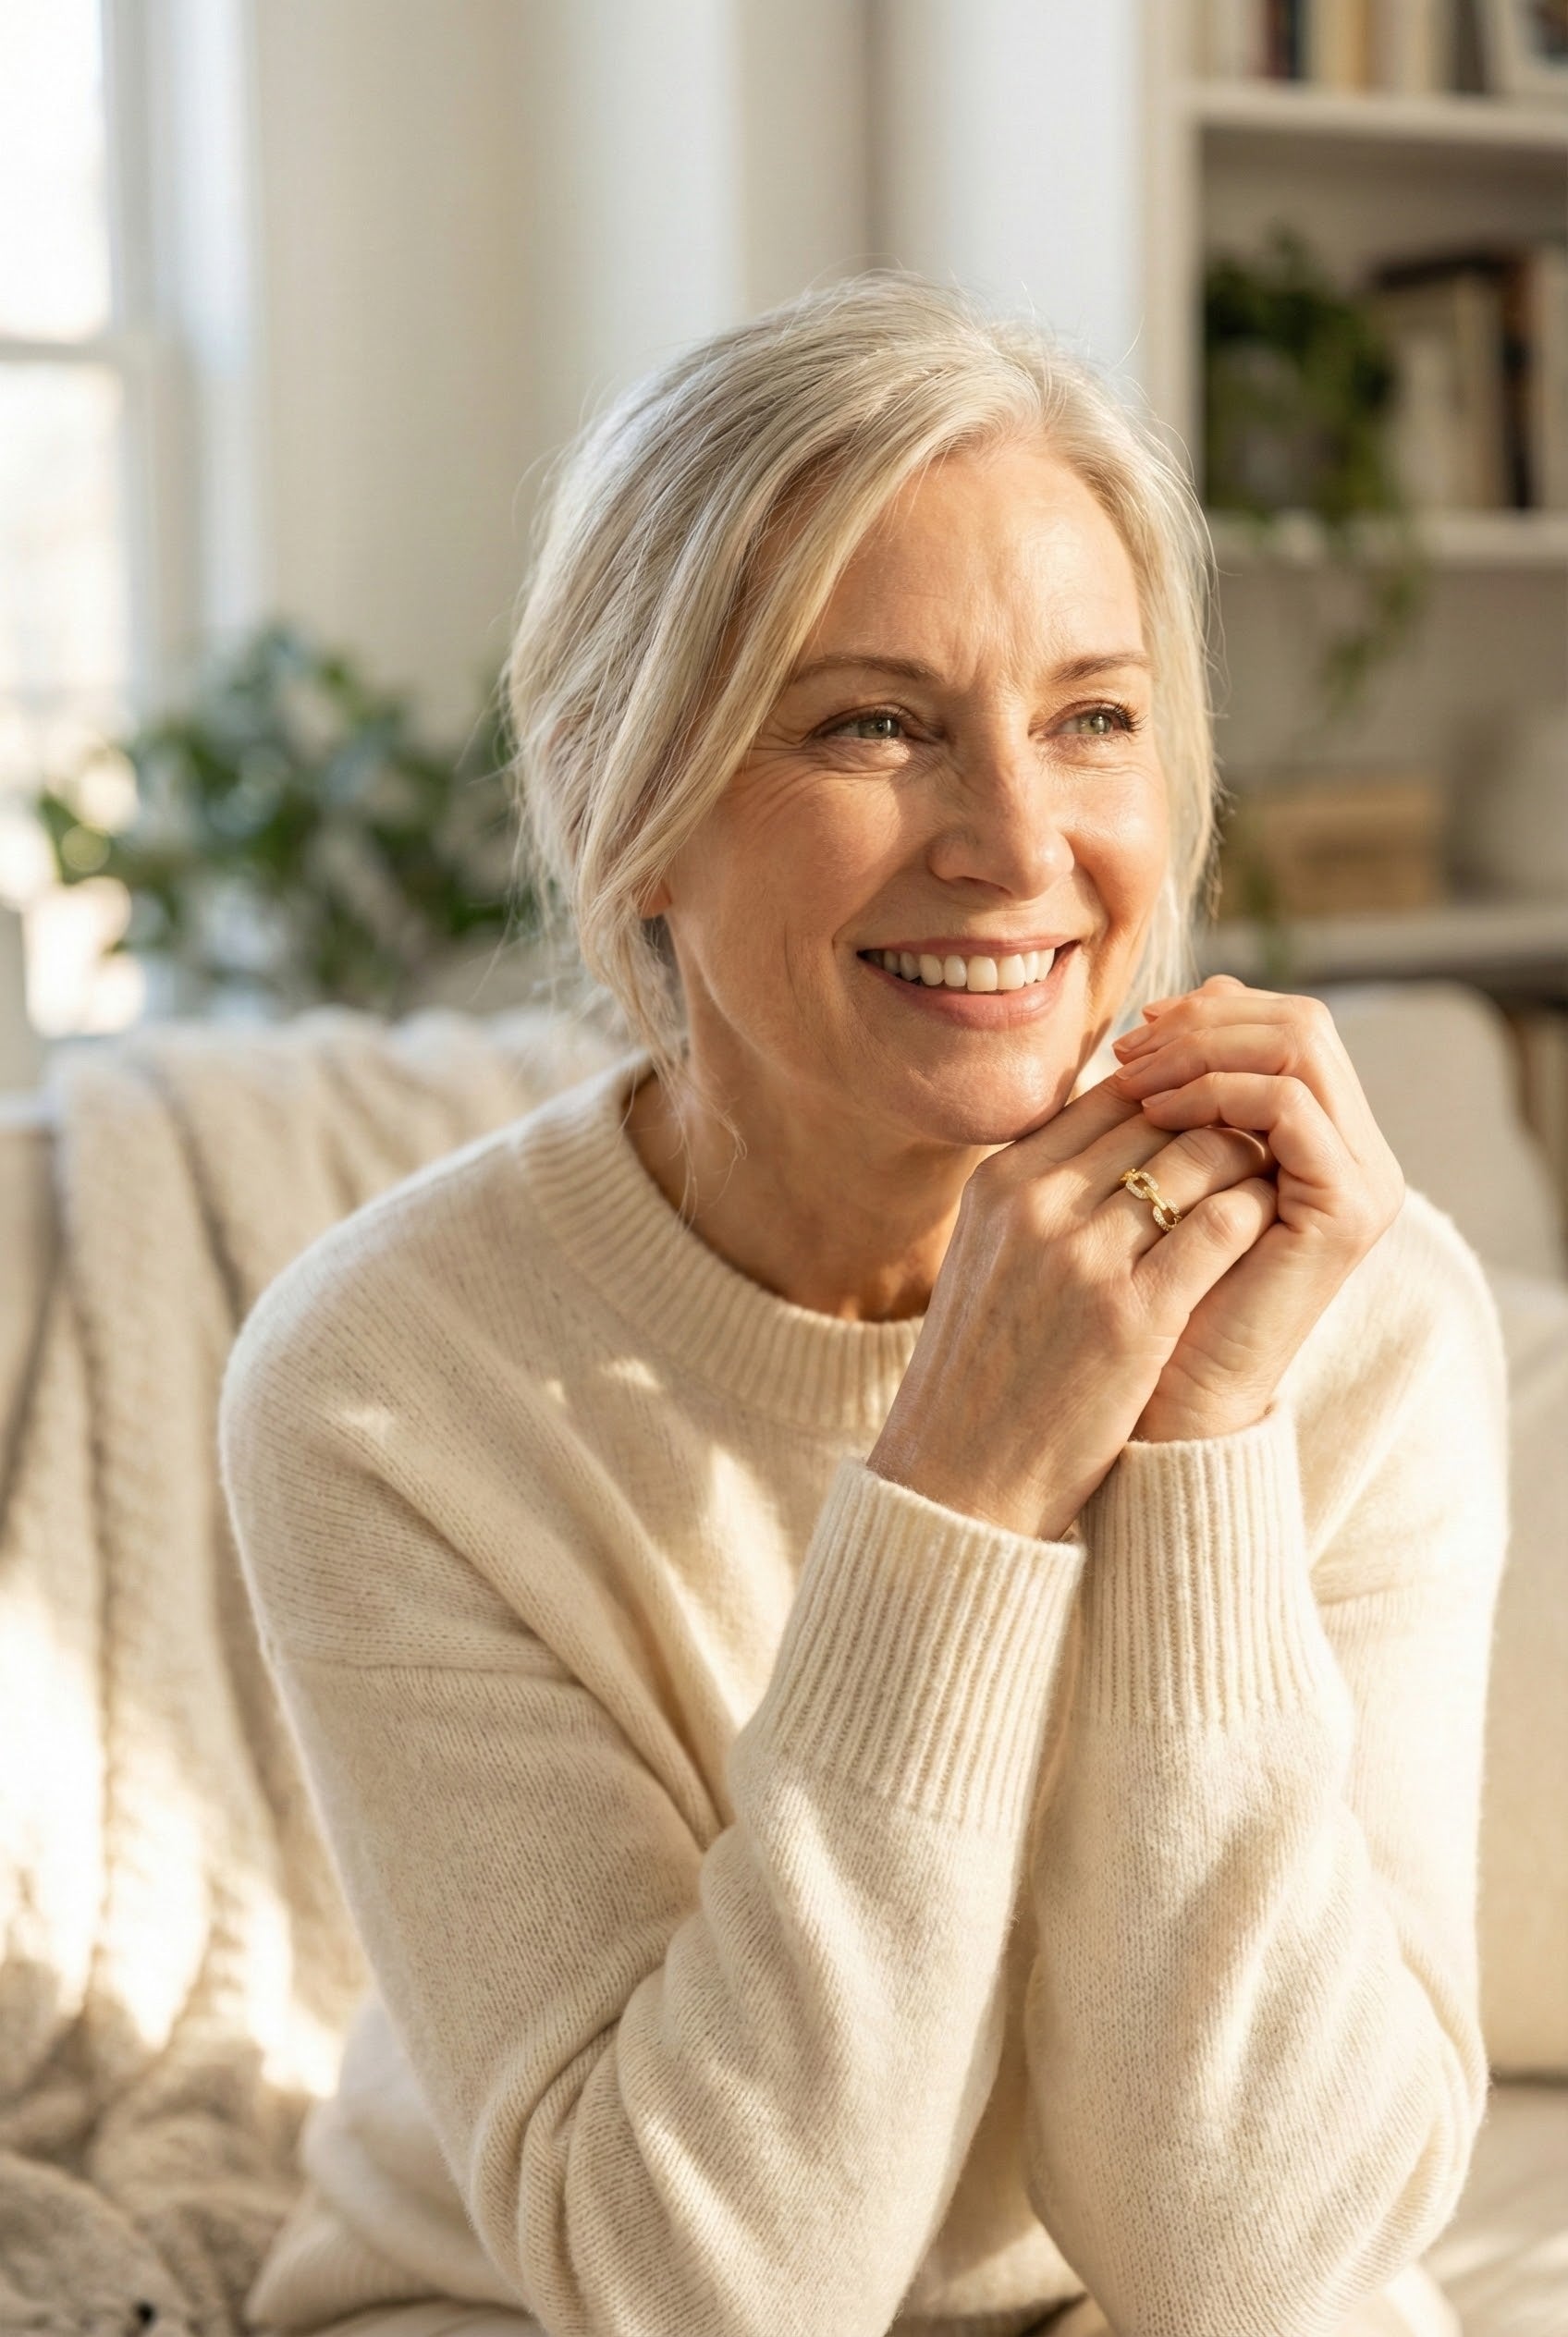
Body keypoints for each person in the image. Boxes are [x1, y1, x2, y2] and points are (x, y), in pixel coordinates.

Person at [218, 275, 1504, 2337]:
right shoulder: (383, 1383)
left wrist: (1197, 1443)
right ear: (618, 793)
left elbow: (1254, 2261)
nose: (1015, 848)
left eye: (1089, 716)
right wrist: (962, 1485)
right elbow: (701, 2288)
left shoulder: (1349, 1308)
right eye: (873, 723)